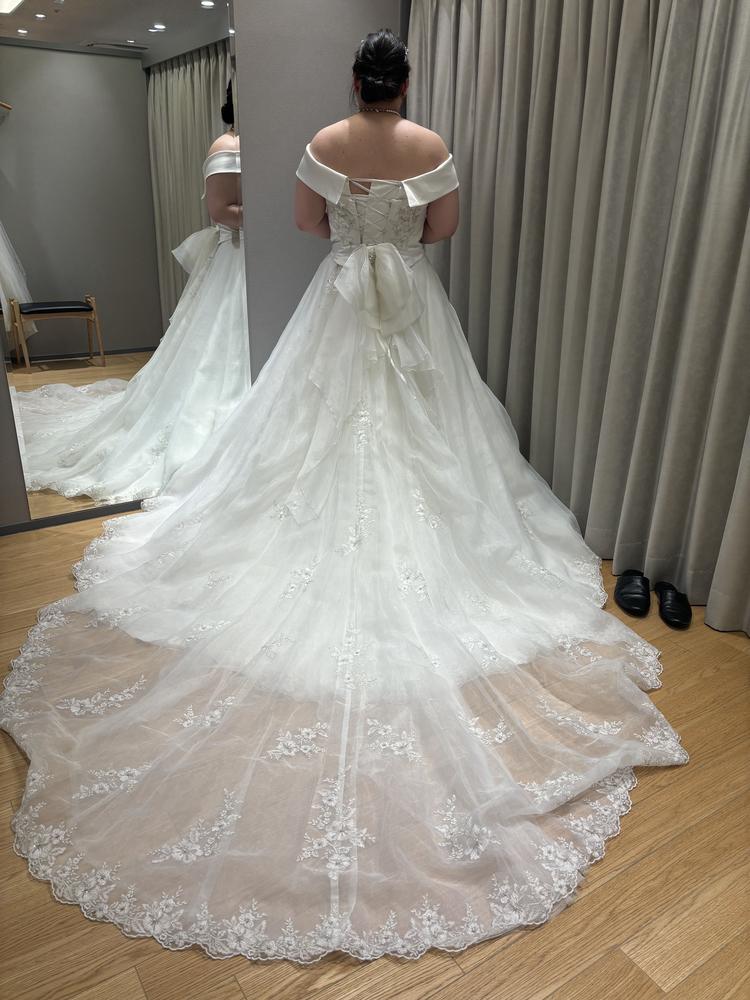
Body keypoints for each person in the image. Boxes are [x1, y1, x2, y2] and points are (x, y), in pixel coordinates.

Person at [0, 31, 687, 963]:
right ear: (403, 83)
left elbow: (305, 224)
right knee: (434, 432)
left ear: (354, 81)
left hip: (339, 303)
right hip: (410, 302)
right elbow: (441, 233)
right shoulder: (430, 145)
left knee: (308, 427)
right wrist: (395, 236)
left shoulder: (323, 142)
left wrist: (359, 229)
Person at [12, 83, 250, 503]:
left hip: (263, 258)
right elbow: (219, 209)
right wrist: (271, 214)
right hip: (236, 259)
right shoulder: (227, 145)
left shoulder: (266, 139)